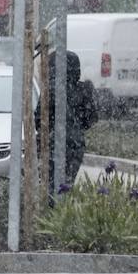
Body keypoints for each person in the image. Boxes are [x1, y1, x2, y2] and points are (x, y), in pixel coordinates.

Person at [45, 48, 96, 191]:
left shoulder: (51, 89)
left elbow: (39, 119)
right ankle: (61, 207)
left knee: (51, 184)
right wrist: (76, 129)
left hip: (52, 144)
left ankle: (53, 208)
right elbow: (91, 118)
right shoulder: (84, 90)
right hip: (76, 145)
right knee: (66, 184)